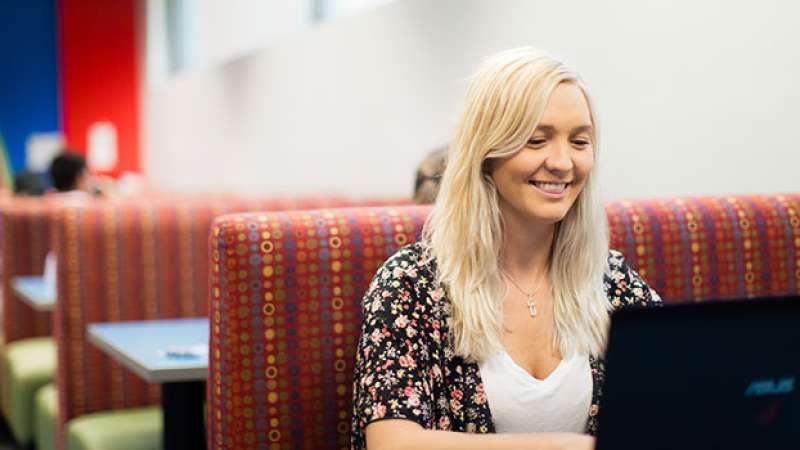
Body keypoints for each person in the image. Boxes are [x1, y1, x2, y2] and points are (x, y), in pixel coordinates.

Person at [351, 48, 661, 450]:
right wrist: (572, 447)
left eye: (579, 141)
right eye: (536, 139)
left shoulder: (612, 282)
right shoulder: (411, 284)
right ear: (486, 152)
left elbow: (684, 402)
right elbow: (392, 443)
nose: (563, 162)